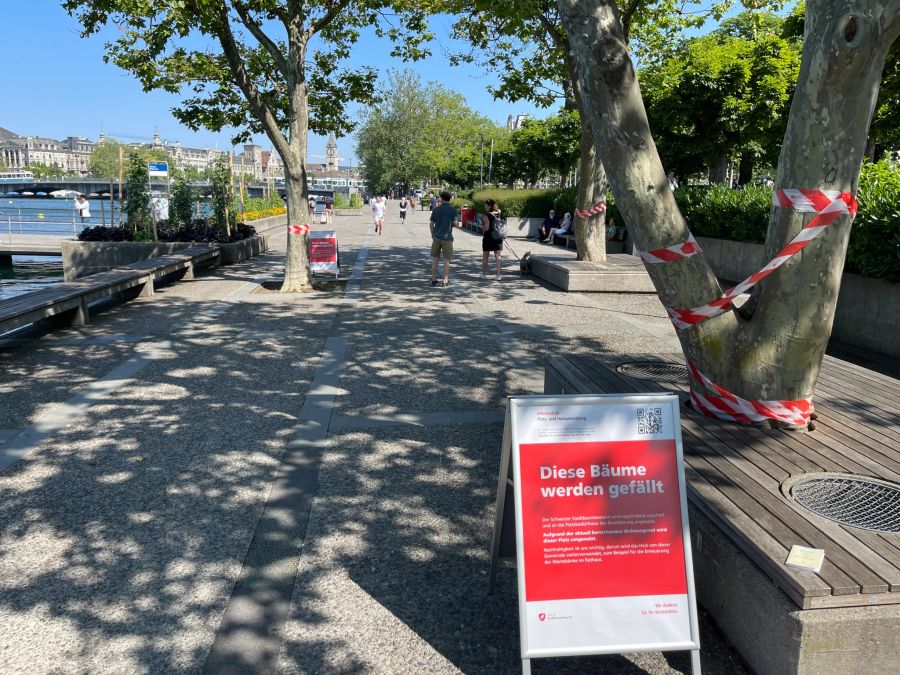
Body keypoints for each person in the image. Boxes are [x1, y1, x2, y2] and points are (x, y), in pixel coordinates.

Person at [429, 191, 459, 287]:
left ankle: (434, 279)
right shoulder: (452, 210)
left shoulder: (436, 210)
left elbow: (431, 223)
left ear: (441, 199)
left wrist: (433, 233)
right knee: (446, 260)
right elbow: (456, 223)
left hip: (436, 237)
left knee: (435, 259)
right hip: (447, 238)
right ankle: (445, 280)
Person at [480, 199, 504, 281]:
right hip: (498, 236)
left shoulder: (487, 215)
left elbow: (486, 228)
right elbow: (499, 210)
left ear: (489, 206)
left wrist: (482, 226)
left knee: (486, 256)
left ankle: (483, 274)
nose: (484, 207)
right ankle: (498, 274)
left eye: (485, 205)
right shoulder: (499, 213)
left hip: (489, 237)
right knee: (498, 256)